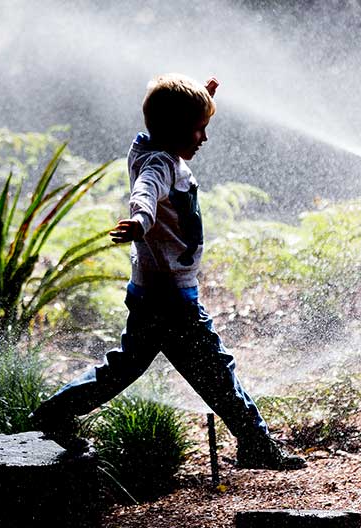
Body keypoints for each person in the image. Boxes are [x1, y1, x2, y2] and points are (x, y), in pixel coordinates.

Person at [30, 73, 305, 471]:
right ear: (175, 130)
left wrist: (203, 100)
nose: (203, 139)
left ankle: (52, 415)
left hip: (157, 293)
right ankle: (256, 445)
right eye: (198, 130)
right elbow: (145, 193)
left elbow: (170, 134)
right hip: (170, 299)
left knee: (128, 368)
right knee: (214, 369)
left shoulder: (154, 147)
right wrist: (140, 222)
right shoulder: (159, 165)